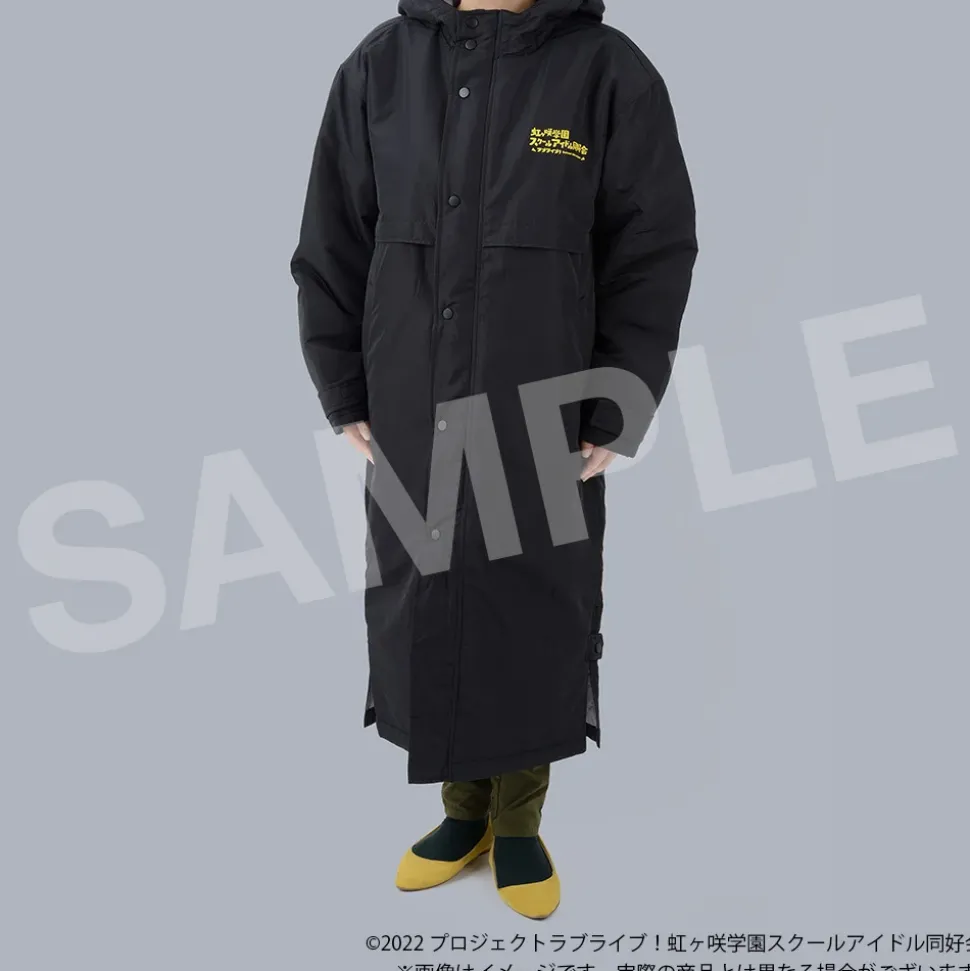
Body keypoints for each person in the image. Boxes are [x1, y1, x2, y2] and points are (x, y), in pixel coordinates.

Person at [290, 0, 697, 918]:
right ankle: (460, 812)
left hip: (546, 401)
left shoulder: (606, 71)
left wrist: (619, 402)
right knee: (424, 594)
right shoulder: (381, 67)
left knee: (531, 600)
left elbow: (652, 248)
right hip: (410, 398)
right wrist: (344, 388)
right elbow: (332, 239)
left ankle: (518, 824)